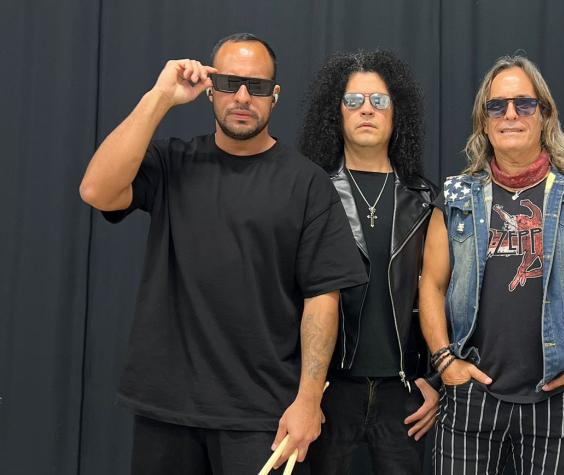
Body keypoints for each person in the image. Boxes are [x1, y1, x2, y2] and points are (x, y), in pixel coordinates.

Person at [78, 33, 367, 475]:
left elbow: (323, 298)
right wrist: (160, 97)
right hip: (167, 408)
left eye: (257, 86)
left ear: (275, 95)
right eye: (230, 82)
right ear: (210, 88)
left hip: (263, 416)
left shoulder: (306, 184)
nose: (243, 97)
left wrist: (308, 401)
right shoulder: (173, 163)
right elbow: (97, 190)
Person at [419, 55, 564, 475]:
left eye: (525, 104)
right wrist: (445, 362)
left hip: (558, 396)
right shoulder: (455, 198)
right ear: (484, 121)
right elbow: (431, 285)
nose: (511, 115)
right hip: (471, 399)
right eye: (497, 106)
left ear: (545, 115)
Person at [299, 50, 439, 475]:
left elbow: (445, 293)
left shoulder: (426, 199)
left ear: (398, 114)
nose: (366, 111)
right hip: (328, 391)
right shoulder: (310, 194)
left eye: (379, 101)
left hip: (405, 395)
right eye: (354, 101)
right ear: (334, 113)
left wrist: (435, 380)